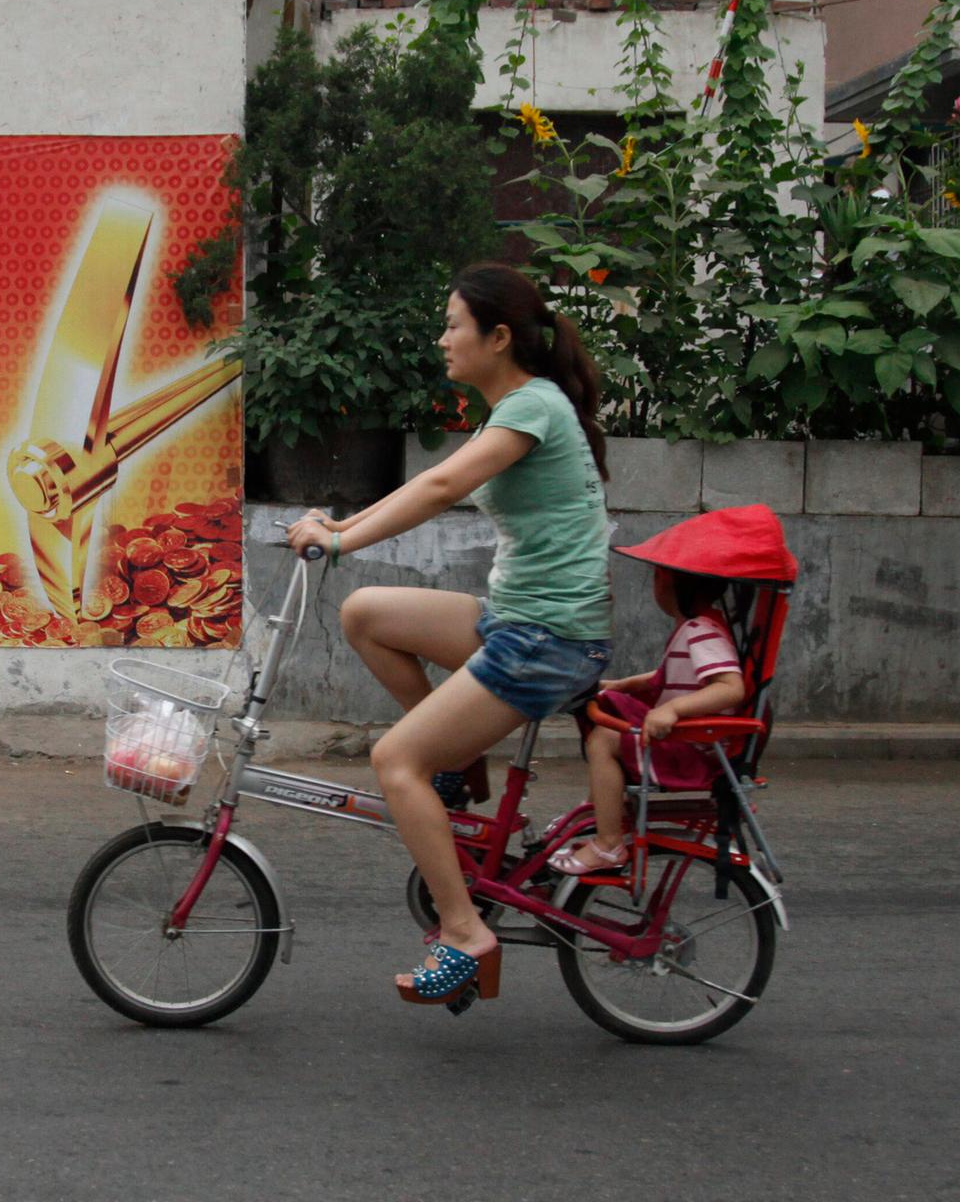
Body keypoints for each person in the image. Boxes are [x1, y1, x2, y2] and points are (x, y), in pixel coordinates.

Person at [285, 262, 613, 1007]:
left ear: (498, 338)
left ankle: (465, 932)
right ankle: (463, 772)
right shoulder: (526, 405)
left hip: (546, 641)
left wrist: (338, 543)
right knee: (366, 613)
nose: (442, 340)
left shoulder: (533, 408)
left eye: (454, 325)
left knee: (394, 761)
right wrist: (342, 527)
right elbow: (429, 482)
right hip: (520, 623)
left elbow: (439, 489)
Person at [550, 567, 746, 874]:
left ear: (668, 585)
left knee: (603, 740)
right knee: (605, 722)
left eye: (656, 578)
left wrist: (673, 709)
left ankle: (608, 842)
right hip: (687, 743)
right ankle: (597, 813)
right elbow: (664, 677)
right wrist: (623, 685)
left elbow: (731, 687)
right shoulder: (695, 627)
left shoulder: (701, 630)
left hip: (691, 751)